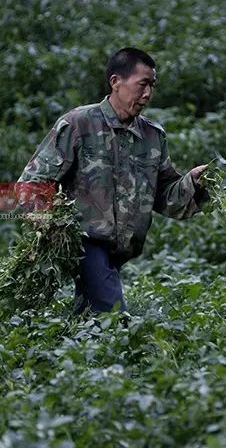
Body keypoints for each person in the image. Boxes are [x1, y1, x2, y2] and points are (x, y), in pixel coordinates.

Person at [17, 47, 209, 314]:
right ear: (115, 82)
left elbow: (164, 195)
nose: (147, 94)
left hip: (120, 248)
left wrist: (192, 182)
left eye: (152, 86)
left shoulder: (152, 136)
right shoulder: (79, 124)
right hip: (84, 242)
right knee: (112, 317)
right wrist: (52, 228)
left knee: (88, 322)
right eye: (142, 84)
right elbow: (32, 183)